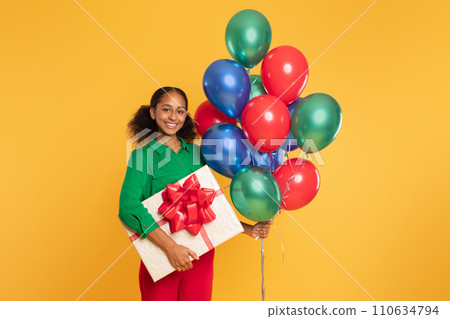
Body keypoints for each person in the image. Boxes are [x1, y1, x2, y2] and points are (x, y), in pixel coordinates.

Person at [119, 86, 272, 301]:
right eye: (166, 109)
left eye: (180, 111)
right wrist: (171, 249)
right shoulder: (142, 156)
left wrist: (249, 229)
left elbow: (207, 204)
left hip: (201, 256)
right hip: (163, 256)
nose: (173, 117)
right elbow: (128, 208)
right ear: (153, 113)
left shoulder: (197, 153)